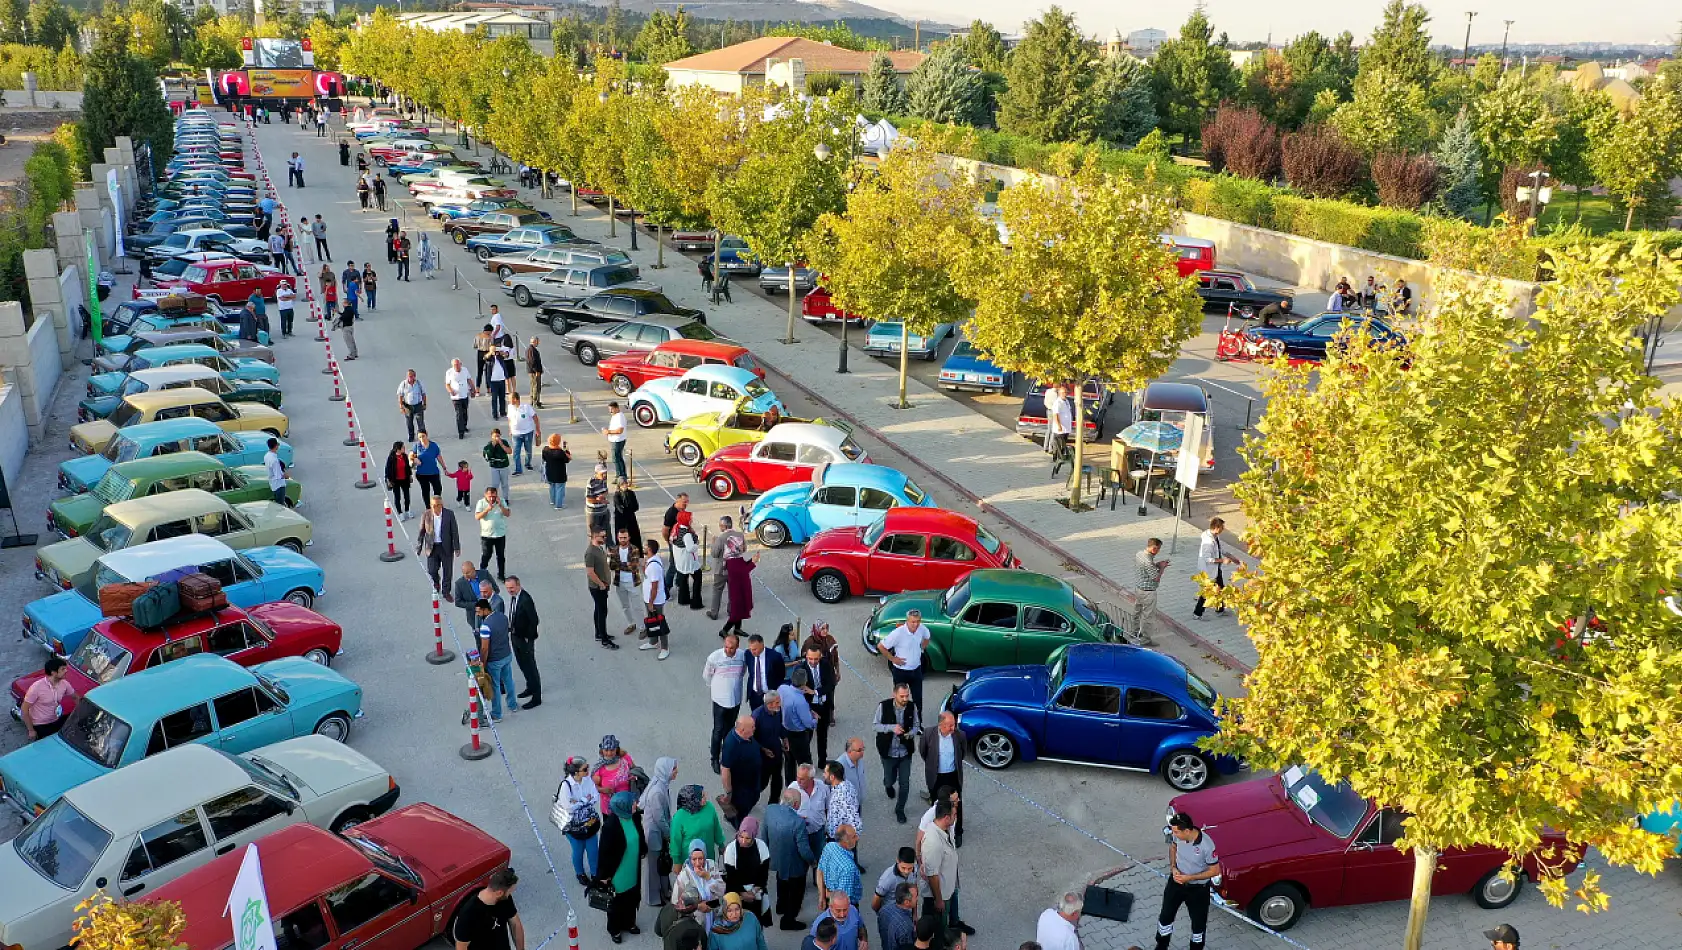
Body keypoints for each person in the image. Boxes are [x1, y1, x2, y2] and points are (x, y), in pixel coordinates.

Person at [1156, 812, 1219, 950]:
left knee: (1198, 925)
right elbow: (1173, 847)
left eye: (1177, 832)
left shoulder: (1206, 845)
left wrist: (1190, 877)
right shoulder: (1176, 834)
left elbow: (1214, 871)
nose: (1174, 834)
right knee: (1166, 916)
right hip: (1176, 883)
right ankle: (1161, 945)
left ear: (1187, 830)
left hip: (1198, 890)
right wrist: (1173, 867)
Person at [597, 791, 646, 943]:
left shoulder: (635, 816)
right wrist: (604, 876)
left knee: (632, 896)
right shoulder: (610, 826)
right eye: (632, 803)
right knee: (616, 901)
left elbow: (640, 835)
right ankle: (615, 929)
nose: (635, 805)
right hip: (617, 871)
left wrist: (643, 849)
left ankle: (629, 923)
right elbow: (604, 853)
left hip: (632, 866)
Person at [920, 801, 969, 939]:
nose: (956, 817)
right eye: (954, 814)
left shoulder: (944, 829)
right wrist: (939, 900)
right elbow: (932, 875)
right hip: (939, 895)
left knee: (942, 923)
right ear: (946, 817)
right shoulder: (934, 842)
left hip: (947, 889)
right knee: (938, 928)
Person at [875, 682, 921, 824]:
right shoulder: (883, 706)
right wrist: (891, 728)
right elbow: (875, 725)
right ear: (894, 694)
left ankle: (900, 809)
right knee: (890, 779)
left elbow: (916, 726)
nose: (905, 699)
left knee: (905, 783)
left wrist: (910, 734)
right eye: (902, 696)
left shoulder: (912, 707)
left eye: (907, 695)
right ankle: (888, 785)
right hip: (888, 752)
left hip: (905, 752)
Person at [554, 757, 602, 887]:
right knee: (578, 850)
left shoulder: (587, 780)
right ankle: (580, 873)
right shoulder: (566, 786)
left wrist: (578, 802)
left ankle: (594, 874)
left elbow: (595, 797)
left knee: (593, 850)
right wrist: (585, 800)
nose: (588, 771)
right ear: (575, 772)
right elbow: (569, 807)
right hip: (573, 826)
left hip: (589, 821)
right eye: (585, 769)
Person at [920, 713, 966, 844]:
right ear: (940, 725)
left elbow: (962, 753)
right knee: (937, 805)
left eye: (954, 724)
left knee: (957, 804)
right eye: (950, 725)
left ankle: (958, 831)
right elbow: (924, 753)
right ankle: (939, 831)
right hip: (936, 776)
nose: (953, 728)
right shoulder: (929, 734)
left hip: (953, 775)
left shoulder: (960, 735)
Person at [640, 756, 680, 907]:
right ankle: (654, 898)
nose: (676, 771)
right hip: (654, 835)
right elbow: (659, 818)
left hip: (659, 833)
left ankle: (664, 890)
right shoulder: (657, 792)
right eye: (673, 769)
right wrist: (669, 834)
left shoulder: (661, 784)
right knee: (654, 868)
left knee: (661, 863)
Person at [705, 634, 747, 773]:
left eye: (732, 648)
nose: (728, 650)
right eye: (726, 647)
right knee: (718, 730)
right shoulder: (714, 657)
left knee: (730, 730)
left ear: (737, 647)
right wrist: (718, 687)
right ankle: (714, 758)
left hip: (735, 699)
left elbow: (742, 672)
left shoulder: (742, 656)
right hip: (719, 700)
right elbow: (707, 675)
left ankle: (727, 755)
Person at [452, 867, 524, 950]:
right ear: (499, 893)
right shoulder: (468, 914)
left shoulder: (504, 899)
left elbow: (515, 924)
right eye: (509, 892)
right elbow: (461, 946)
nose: (509, 894)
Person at [722, 818, 772, 925]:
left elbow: (763, 875)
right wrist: (743, 894)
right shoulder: (731, 849)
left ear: (754, 836)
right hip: (736, 894)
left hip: (755, 893)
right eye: (741, 837)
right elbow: (731, 877)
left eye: (748, 838)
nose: (743, 841)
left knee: (756, 924)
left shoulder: (762, 847)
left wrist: (753, 892)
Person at [878, 609, 930, 713]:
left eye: (918, 621)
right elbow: (881, 646)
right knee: (900, 700)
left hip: (916, 671)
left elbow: (927, 637)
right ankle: (900, 723)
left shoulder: (922, 629)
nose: (916, 625)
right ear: (907, 621)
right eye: (913, 622)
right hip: (901, 672)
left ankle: (918, 725)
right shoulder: (898, 633)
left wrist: (921, 649)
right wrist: (893, 659)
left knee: (918, 700)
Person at [476, 598, 516, 722]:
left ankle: (497, 714)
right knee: (509, 680)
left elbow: (484, 648)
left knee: (495, 686)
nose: (477, 614)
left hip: (495, 660)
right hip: (507, 654)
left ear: (485, 610)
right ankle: (512, 705)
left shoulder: (485, 626)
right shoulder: (502, 617)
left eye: (478, 612)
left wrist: (482, 663)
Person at [1192, 517, 1240, 620]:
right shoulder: (1208, 541)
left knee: (1221, 588)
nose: (1223, 529)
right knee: (1207, 592)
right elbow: (1207, 558)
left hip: (1215, 569)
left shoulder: (1214, 536)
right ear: (1217, 528)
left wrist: (1232, 557)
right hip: (1208, 571)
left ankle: (1220, 609)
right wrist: (1223, 560)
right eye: (1222, 527)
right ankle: (1197, 613)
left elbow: (1220, 549)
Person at [505, 575, 541, 709]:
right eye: (508, 588)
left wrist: (528, 637)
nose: (510, 590)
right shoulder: (515, 597)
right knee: (522, 664)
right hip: (515, 636)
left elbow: (534, 620)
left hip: (524, 639)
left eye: (512, 588)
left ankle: (537, 697)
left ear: (518, 585)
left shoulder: (526, 599)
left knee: (530, 666)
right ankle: (530, 687)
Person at [797, 644, 836, 765]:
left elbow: (831, 684)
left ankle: (822, 761)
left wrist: (815, 692)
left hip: (824, 704)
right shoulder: (801, 669)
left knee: (823, 734)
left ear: (820, 657)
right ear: (806, 657)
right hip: (809, 706)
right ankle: (805, 762)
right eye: (810, 659)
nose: (813, 662)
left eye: (816, 659)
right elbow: (799, 689)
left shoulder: (826, 665)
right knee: (807, 736)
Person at [776, 668, 816, 784]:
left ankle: (790, 785)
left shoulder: (782, 688)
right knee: (805, 763)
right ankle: (807, 785)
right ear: (805, 682)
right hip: (798, 735)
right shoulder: (800, 701)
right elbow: (807, 722)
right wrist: (815, 719)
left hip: (785, 731)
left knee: (789, 761)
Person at [721, 717, 762, 827]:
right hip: (742, 786)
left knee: (755, 797)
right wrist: (729, 792)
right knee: (741, 809)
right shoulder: (731, 745)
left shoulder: (747, 736)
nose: (755, 728)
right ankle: (739, 827)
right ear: (742, 730)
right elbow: (725, 770)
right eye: (752, 727)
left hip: (753, 779)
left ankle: (732, 816)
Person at [22, 657, 75, 741]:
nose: (66, 671)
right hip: (41, 725)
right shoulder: (36, 688)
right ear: (53, 672)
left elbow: (76, 697)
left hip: (56, 719)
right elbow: (24, 709)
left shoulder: (64, 684)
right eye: (63, 669)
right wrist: (31, 730)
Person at [417, 495, 461, 594]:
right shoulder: (426, 514)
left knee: (447, 571)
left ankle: (446, 591)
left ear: (442, 505)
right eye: (433, 505)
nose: (435, 507)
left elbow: (454, 531)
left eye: (437, 505)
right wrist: (419, 547)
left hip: (446, 547)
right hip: (432, 547)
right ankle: (436, 584)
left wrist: (457, 547)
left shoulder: (449, 514)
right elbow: (422, 532)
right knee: (432, 570)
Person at [671, 790, 729, 865]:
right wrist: (676, 861)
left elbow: (716, 828)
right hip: (690, 860)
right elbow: (675, 840)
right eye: (702, 796)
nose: (705, 798)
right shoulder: (679, 816)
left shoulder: (709, 808)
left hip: (708, 856)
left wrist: (721, 844)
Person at [609, 526, 645, 639]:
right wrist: (625, 564)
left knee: (637, 606)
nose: (623, 540)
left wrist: (619, 564)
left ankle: (642, 627)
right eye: (621, 538)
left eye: (625, 537)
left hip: (632, 582)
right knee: (625, 606)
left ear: (629, 537)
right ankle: (631, 623)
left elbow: (633, 567)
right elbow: (612, 566)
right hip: (620, 582)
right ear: (618, 538)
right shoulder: (614, 550)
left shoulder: (634, 549)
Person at [707, 516, 746, 620]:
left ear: (724, 526)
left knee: (717, 590)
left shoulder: (720, 538)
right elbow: (743, 549)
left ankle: (714, 613)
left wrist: (713, 543)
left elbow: (714, 554)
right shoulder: (739, 535)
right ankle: (731, 611)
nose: (719, 527)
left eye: (720, 525)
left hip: (722, 569)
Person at [587, 528, 619, 650]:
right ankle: (604, 640)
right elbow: (590, 572)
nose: (605, 539)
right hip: (598, 587)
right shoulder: (590, 552)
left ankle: (599, 633)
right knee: (602, 612)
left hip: (602, 585)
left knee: (598, 609)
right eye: (602, 537)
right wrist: (600, 584)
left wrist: (609, 555)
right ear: (595, 537)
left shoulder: (599, 548)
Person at [816, 825, 863, 909]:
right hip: (844, 907)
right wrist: (826, 894)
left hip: (830, 901)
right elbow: (843, 899)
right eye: (854, 837)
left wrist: (821, 897)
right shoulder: (848, 868)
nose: (857, 838)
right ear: (845, 842)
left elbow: (820, 871)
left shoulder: (829, 847)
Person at [1132, 538, 1168, 645]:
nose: (1158, 551)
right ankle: (1145, 640)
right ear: (1154, 548)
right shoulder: (1148, 561)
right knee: (1148, 616)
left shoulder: (1139, 554)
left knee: (1137, 612)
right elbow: (1156, 578)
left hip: (1138, 589)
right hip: (1148, 592)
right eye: (1158, 549)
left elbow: (1146, 568)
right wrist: (1162, 568)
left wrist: (1156, 564)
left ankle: (1134, 632)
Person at [720, 539, 759, 638]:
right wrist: (753, 563)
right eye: (741, 545)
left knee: (740, 608)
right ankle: (724, 630)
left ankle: (737, 628)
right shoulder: (731, 561)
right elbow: (743, 571)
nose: (743, 547)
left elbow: (743, 567)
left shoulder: (736, 558)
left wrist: (751, 560)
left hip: (741, 586)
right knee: (736, 611)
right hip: (737, 589)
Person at [593, 735, 638, 814]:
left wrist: (634, 777)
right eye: (606, 750)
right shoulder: (599, 768)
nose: (609, 753)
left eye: (612, 750)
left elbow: (636, 771)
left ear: (616, 749)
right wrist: (602, 790)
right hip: (610, 809)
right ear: (602, 750)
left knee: (631, 826)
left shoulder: (625, 759)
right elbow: (592, 787)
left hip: (628, 806)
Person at [642, 538, 670, 658]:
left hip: (655, 601)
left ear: (649, 549)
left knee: (659, 622)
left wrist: (651, 602)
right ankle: (653, 642)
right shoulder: (652, 560)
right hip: (650, 600)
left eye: (644, 546)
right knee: (652, 621)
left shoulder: (653, 566)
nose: (643, 547)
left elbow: (654, 586)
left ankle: (665, 648)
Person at [742, 633, 785, 712]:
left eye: (755, 649)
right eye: (751, 649)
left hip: (769, 694)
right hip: (754, 695)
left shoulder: (775, 656)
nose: (752, 652)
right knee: (755, 718)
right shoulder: (748, 654)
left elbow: (781, 675)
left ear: (762, 645)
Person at [475, 486, 510, 580]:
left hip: (500, 534)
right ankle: (482, 573)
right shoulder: (481, 503)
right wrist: (487, 509)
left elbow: (507, 514)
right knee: (486, 555)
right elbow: (477, 517)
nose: (491, 498)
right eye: (489, 496)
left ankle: (501, 575)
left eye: (494, 496)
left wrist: (500, 506)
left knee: (501, 556)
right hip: (487, 535)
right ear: (485, 495)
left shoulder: (501, 501)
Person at [872, 848, 921, 913]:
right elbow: (875, 902)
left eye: (910, 868)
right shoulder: (887, 878)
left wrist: (914, 914)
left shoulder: (915, 868)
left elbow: (914, 890)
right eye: (903, 868)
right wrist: (882, 915)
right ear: (897, 860)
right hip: (891, 913)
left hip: (907, 910)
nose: (906, 872)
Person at [670, 514, 703, 609]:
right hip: (688, 561)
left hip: (679, 560)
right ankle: (696, 602)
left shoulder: (676, 527)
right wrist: (697, 544)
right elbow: (690, 548)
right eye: (690, 519)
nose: (691, 520)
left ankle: (683, 599)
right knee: (697, 579)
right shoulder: (687, 534)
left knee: (683, 580)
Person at [823, 761, 861, 839]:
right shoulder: (846, 783)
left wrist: (847, 842)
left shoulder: (841, 797)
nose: (823, 775)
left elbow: (855, 822)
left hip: (840, 840)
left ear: (832, 777)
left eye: (825, 773)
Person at [453, 559, 491, 630]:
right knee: (479, 638)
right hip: (474, 617)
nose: (465, 575)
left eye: (468, 573)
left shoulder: (484, 574)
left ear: (473, 569)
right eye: (464, 573)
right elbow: (458, 602)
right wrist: (475, 604)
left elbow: (496, 589)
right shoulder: (459, 584)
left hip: (489, 612)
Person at [878, 883, 917, 950]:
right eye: (916, 897)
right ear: (907, 902)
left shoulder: (884, 910)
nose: (917, 899)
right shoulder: (906, 927)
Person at [508, 392, 539, 476]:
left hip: (527, 432)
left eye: (510, 399)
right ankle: (518, 469)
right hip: (516, 434)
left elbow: (535, 418)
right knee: (516, 453)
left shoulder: (526, 407)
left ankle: (527, 463)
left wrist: (537, 430)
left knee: (528, 450)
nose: (509, 400)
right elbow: (509, 419)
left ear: (516, 399)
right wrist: (510, 429)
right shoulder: (510, 407)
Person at [383, 440, 414, 520]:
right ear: (398, 449)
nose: (404, 448)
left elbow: (407, 467)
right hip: (395, 480)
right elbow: (387, 469)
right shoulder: (391, 458)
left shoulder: (404, 456)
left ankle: (407, 510)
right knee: (397, 497)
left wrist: (410, 475)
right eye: (403, 447)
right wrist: (388, 480)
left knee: (407, 496)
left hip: (405, 479)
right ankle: (400, 512)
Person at [446, 358, 477, 439]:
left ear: (461, 364)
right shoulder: (449, 372)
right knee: (459, 414)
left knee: (464, 412)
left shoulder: (465, 370)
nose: (456, 366)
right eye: (454, 365)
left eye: (457, 365)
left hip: (464, 395)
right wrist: (451, 391)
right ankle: (461, 432)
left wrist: (473, 390)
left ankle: (464, 426)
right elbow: (447, 384)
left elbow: (469, 380)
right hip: (456, 397)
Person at [413, 430, 445, 507]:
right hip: (422, 474)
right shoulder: (417, 446)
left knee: (438, 489)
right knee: (425, 490)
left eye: (423, 436)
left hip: (434, 472)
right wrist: (414, 459)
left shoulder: (433, 446)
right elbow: (412, 455)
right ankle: (428, 507)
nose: (422, 439)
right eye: (420, 437)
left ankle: (437, 504)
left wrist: (444, 466)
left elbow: (438, 456)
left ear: (427, 435)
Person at [398, 369, 428, 442]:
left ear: (414, 376)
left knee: (420, 422)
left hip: (418, 405)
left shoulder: (419, 383)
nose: (409, 378)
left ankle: (422, 436)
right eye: (408, 376)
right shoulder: (403, 384)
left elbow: (423, 394)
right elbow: (400, 395)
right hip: (408, 406)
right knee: (409, 422)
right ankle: (411, 436)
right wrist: (401, 406)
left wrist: (424, 403)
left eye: (411, 376)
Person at [542, 434, 571, 509]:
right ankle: (559, 505)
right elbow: (567, 460)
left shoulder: (545, 449)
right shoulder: (560, 452)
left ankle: (552, 501)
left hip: (550, 472)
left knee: (552, 486)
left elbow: (544, 458)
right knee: (560, 488)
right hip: (559, 474)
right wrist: (567, 452)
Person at [483, 430, 512, 503]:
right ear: (491, 436)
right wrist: (493, 446)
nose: (496, 438)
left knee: (504, 484)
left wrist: (502, 445)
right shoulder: (489, 445)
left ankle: (505, 499)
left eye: (498, 436)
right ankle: (494, 498)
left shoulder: (504, 442)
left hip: (504, 466)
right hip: (494, 467)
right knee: (495, 484)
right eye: (495, 436)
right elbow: (487, 456)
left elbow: (509, 451)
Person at [613, 477, 643, 548]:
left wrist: (629, 509)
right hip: (621, 520)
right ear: (619, 485)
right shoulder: (617, 495)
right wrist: (628, 509)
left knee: (634, 535)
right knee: (622, 536)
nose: (625, 485)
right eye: (623, 484)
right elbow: (620, 508)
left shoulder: (631, 493)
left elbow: (636, 506)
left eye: (626, 483)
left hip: (631, 519)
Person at [604, 401, 629, 479]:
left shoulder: (619, 417)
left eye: (612, 409)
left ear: (617, 408)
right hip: (615, 440)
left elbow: (619, 430)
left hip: (618, 440)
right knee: (618, 457)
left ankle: (621, 475)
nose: (610, 411)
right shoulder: (615, 416)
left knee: (616, 459)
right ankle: (621, 474)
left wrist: (608, 432)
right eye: (609, 409)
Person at [587, 463, 613, 539]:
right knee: (595, 534)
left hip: (604, 510)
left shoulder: (603, 480)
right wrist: (600, 500)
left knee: (607, 531)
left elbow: (606, 491)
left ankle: (610, 547)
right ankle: (596, 548)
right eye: (602, 473)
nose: (604, 475)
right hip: (594, 513)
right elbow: (589, 499)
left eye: (605, 473)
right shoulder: (591, 482)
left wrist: (603, 496)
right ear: (596, 473)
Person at [263, 438, 289, 507]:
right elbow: (278, 476)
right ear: (276, 446)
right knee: (280, 505)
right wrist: (286, 476)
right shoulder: (274, 460)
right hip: (279, 486)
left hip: (273, 484)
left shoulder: (267, 456)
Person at [336, 287, 359, 359]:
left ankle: (352, 354)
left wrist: (339, 318)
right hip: (350, 326)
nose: (342, 304)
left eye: (343, 303)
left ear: (346, 304)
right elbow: (345, 315)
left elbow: (345, 317)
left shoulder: (348, 310)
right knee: (352, 341)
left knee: (349, 341)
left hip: (347, 327)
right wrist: (339, 313)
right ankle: (355, 352)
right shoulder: (349, 309)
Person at [525, 337, 544, 407]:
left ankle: (534, 401)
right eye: (537, 342)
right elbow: (532, 362)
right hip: (534, 372)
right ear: (534, 342)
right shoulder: (531, 350)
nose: (538, 343)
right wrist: (536, 371)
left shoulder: (532, 349)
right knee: (535, 386)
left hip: (534, 371)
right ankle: (535, 402)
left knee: (534, 386)